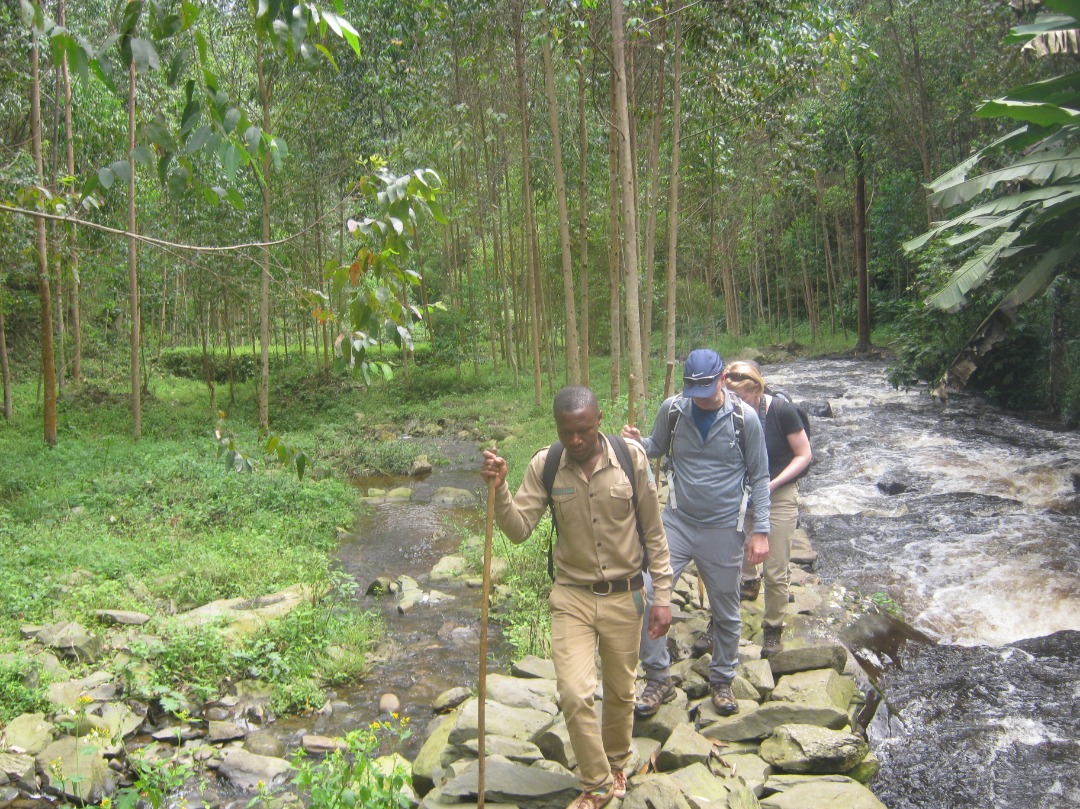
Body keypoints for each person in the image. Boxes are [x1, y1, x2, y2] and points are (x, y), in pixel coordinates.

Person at [481, 386, 673, 809]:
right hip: (572, 595)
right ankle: (598, 782)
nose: (576, 441)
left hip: (627, 594)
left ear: (599, 419)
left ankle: (618, 763)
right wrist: (499, 490)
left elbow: (654, 532)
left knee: (622, 691)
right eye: (567, 432)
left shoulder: (631, 458)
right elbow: (518, 530)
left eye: (584, 430)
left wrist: (664, 595)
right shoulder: (546, 464)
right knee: (573, 691)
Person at [622, 349, 771, 718]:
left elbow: (760, 476)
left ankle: (721, 679)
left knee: (727, 609)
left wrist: (761, 530)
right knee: (648, 593)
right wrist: (635, 444)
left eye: (706, 390)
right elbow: (655, 448)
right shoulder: (673, 410)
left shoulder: (744, 419)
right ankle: (658, 678)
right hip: (676, 522)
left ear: (722, 380)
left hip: (724, 528)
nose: (699, 399)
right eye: (694, 391)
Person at [724, 360, 812, 658]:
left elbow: (804, 455)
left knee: (775, 569)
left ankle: (773, 627)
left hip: (779, 492)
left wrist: (773, 484)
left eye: (743, 399)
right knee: (734, 554)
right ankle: (748, 583)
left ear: (758, 390)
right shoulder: (726, 412)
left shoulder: (782, 412)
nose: (738, 405)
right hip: (741, 492)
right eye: (730, 398)